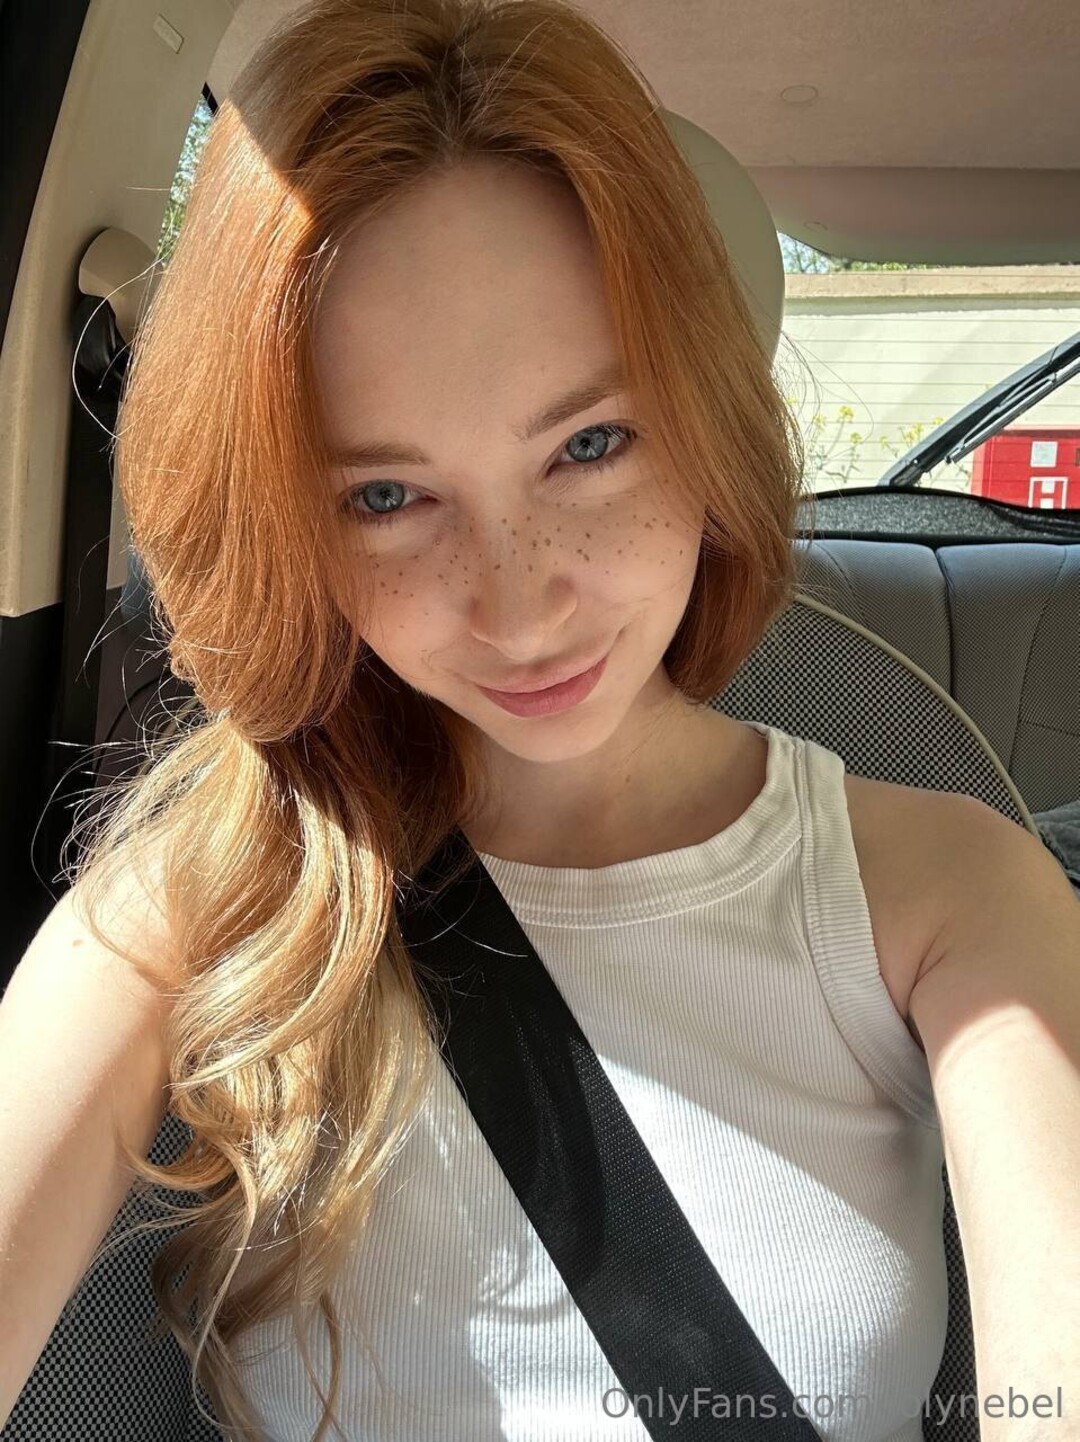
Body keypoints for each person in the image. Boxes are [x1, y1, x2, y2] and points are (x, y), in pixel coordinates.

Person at [8, 1, 1077, 1439]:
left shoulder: (957, 894)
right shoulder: (195, 899)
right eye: (387, 494)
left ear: (704, 418)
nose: (518, 609)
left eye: (590, 443)